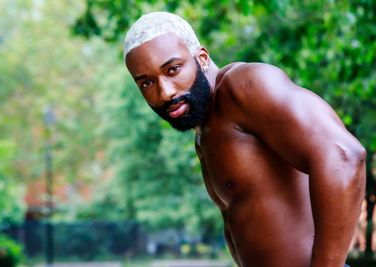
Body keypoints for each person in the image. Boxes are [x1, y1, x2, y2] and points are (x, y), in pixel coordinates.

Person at [123, 12, 366, 267]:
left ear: (202, 58)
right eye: (147, 83)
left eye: (173, 69)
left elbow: (343, 154)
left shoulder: (243, 88)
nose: (165, 92)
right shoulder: (205, 130)